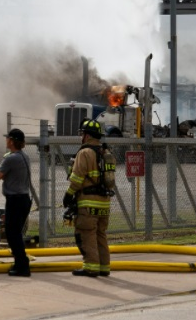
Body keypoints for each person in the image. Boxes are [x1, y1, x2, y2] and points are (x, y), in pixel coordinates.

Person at [63, 118, 116, 278]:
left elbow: (77, 178)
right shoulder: (106, 153)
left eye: (82, 134)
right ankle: (104, 267)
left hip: (87, 203)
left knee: (86, 234)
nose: (81, 137)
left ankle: (91, 267)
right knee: (100, 234)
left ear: (86, 136)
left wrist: (69, 194)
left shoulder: (84, 152)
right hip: (104, 203)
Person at [0, 128, 33, 277]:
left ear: (12, 141)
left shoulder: (11, 158)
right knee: (15, 233)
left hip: (15, 200)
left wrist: (1, 174)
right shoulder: (25, 156)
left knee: (12, 234)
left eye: (7, 138)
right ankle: (20, 263)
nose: (6, 141)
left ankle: (22, 265)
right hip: (23, 199)